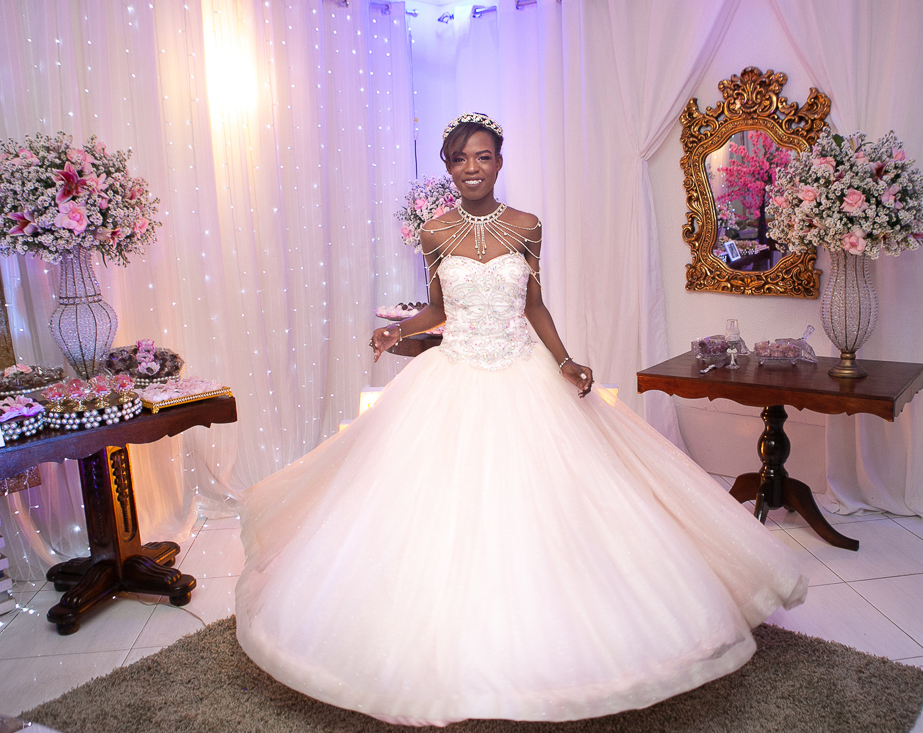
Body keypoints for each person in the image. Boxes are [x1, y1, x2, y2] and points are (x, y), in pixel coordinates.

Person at [235, 113, 807, 727]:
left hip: (524, 372)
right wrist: (396, 330)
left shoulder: (528, 227)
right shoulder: (433, 233)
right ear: (448, 168)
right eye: (459, 159)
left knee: (557, 504)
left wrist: (566, 361)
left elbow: (534, 303)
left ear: (499, 163)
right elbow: (435, 308)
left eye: (482, 157)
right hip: (453, 376)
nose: (471, 168)